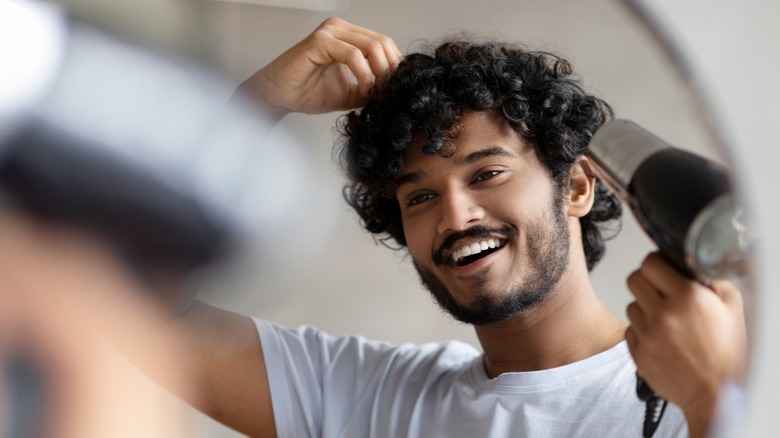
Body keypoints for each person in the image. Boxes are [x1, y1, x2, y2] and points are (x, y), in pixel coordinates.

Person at [0, 17, 747, 438]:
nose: (456, 216)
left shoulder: (710, 380)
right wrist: (250, 113)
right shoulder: (368, 397)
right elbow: (113, 296)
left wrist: (718, 401)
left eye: (487, 174)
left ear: (579, 184)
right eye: (418, 197)